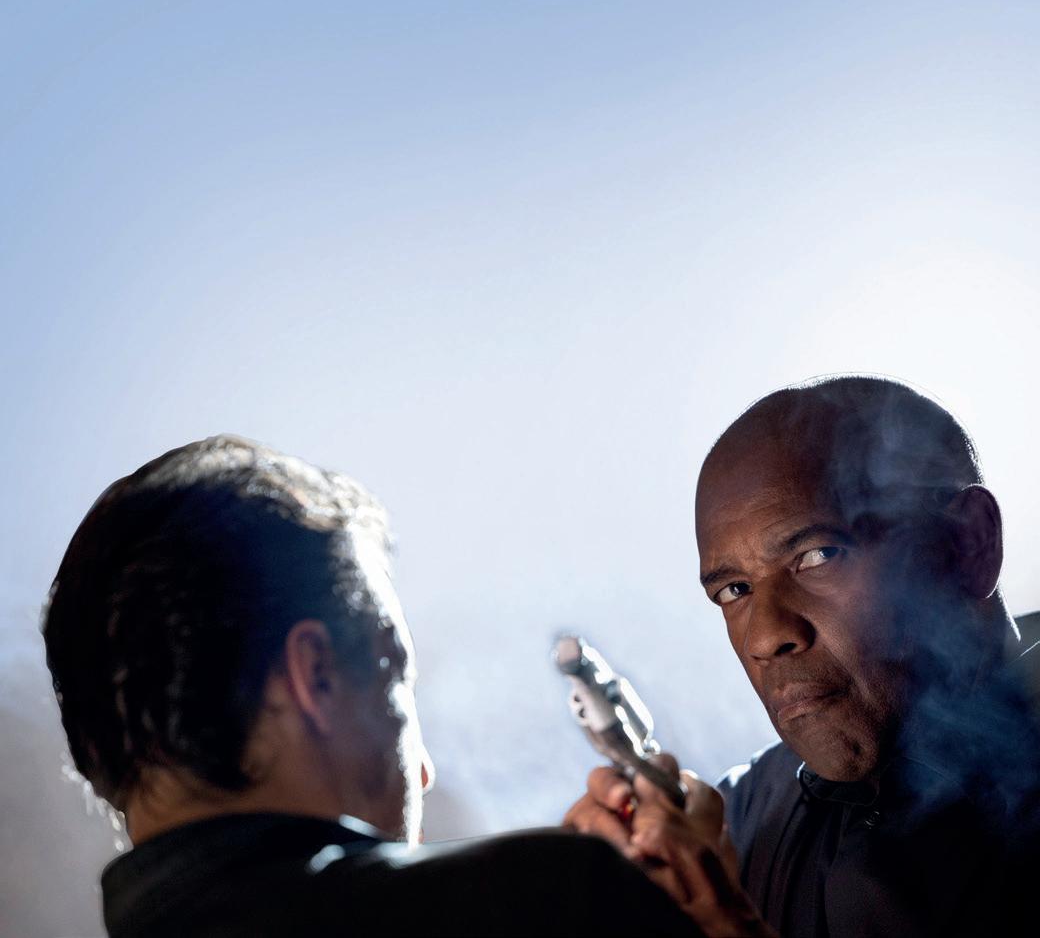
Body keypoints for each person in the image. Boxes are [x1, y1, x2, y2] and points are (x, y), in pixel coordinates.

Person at [42, 434, 710, 938]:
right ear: (316, 674)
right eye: (395, 680)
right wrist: (710, 907)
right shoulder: (558, 904)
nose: (423, 772)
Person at [565, 376, 1040, 937]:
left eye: (818, 555)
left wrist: (728, 926)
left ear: (968, 544)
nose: (766, 637)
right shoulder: (749, 814)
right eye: (734, 591)